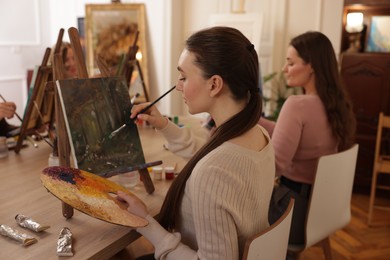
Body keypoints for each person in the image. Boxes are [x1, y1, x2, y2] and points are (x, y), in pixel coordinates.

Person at [116, 26, 275, 259]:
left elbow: (212, 168)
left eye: (183, 77)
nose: (178, 85)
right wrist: (163, 124)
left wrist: (145, 223)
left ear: (214, 84)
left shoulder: (213, 170)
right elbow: (206, 155)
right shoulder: (258, 134)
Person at [259, 31, 356, 245]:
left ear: (311, 66)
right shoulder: (336, 105)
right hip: (321, 211)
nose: (284, 69)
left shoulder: (297, 106)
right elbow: (295, 135)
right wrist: (255, 121)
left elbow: (274, 167)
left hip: (291, 213)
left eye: (291, 63)